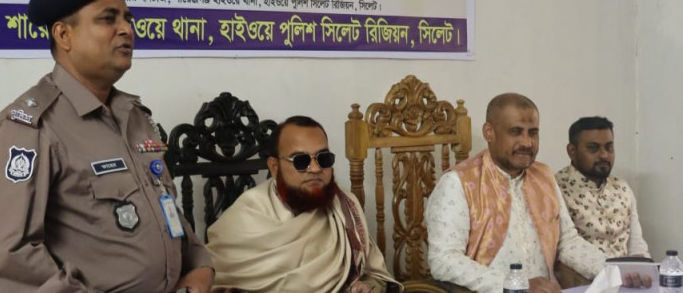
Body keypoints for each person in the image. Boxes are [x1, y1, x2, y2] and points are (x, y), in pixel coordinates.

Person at [0, 0, 214, 293]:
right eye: (108, 19)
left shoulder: (134, 117)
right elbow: (10, 255)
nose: (126, 29)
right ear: (64, 35)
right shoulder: (30, 129)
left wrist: (199, 264)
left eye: (127, 18)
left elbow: (163, 207)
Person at [425, 93, 647, 293]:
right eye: (515, 132)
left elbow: (567, 243)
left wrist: (615, 270)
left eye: (533, 133)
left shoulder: (543, 176)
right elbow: (444, 260)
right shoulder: (458, 183)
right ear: (489, 132)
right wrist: (515, 284)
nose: (527, 142)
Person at [206, 116, 402, 293]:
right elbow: (211, 280)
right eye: (301, 161)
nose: (315, 169)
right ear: (274, 167)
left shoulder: (343, 208)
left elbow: (375, 275)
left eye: (323, 158)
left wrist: (367, 286)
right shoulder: (245, 217)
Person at [555, 116, 650, 258]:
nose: (604, 155)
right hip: (582, 271)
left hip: (626, 271)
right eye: (593, 148)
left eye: (609, 147)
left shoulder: (622, 189)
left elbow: (636, 243)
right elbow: (560, 250)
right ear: (572, 151)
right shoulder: (556, 189)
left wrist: (642, 264)